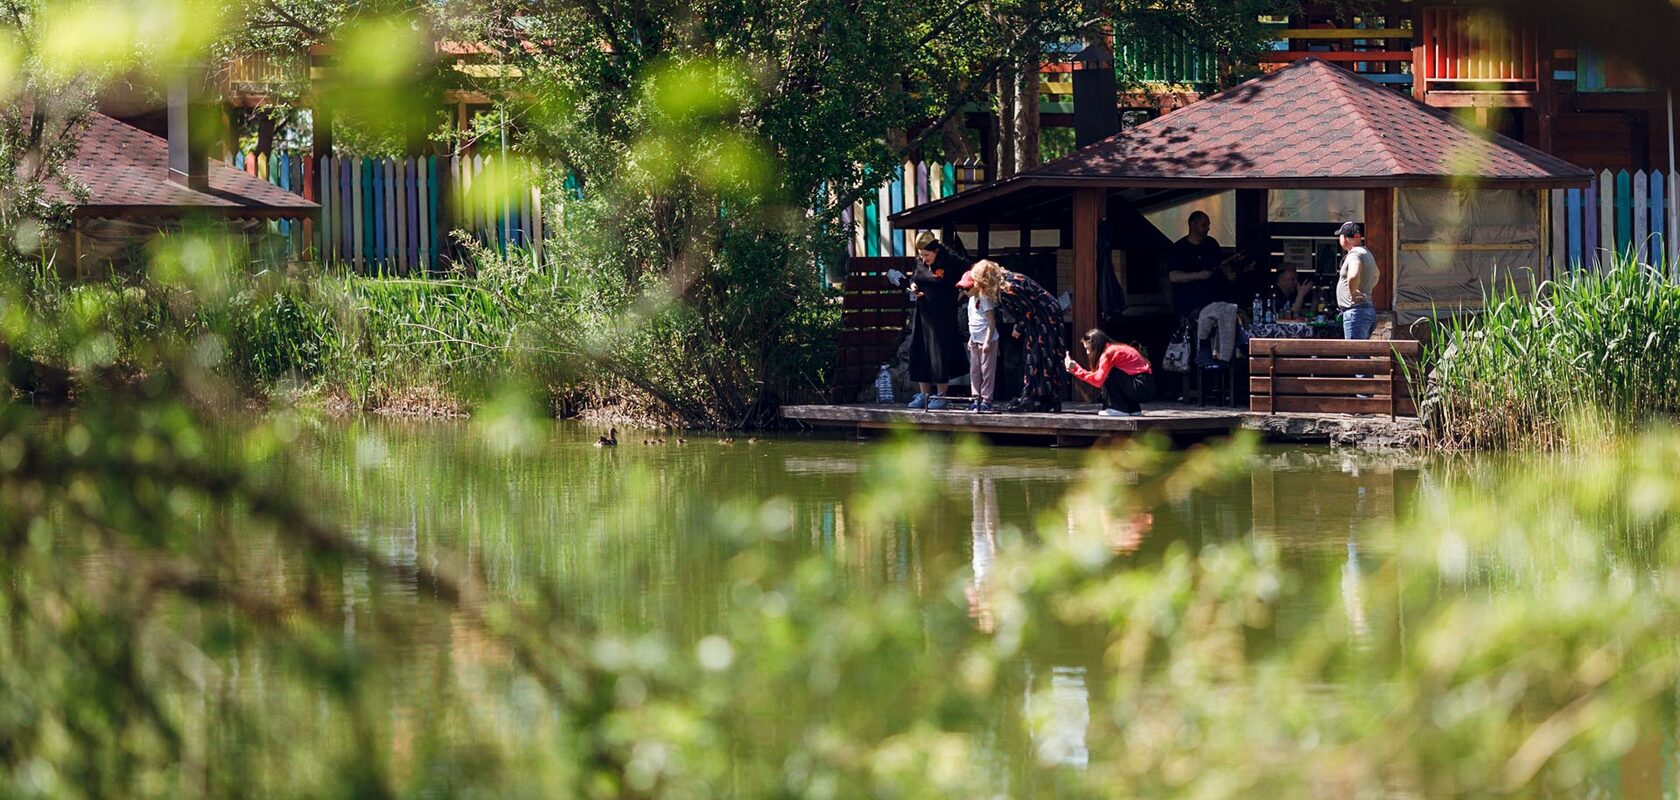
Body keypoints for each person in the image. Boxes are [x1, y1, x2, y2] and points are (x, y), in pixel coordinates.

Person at [965, 260, 1067, 413]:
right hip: (1040, 316)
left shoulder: (1008, 287)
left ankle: (1034, 398)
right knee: (1039, 356)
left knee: (1038, 356)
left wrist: (1018, 327)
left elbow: (1029, 309)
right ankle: (1044, 398)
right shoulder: (1005, 281)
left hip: (1045, 316)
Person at [906, 232, 969, 409]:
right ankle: (924, 395)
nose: (924, 259)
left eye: (927, 255)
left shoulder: (950, 261)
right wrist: (914, 287)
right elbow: (914, 277)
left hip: (943, 315)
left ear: (936, 251)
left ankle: (942, 395)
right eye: (921, 255)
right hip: (923, 313)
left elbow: (971, 272)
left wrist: (961, 293)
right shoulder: (920, 262)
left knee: (940, 352)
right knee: (920, 350)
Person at [1064, 328, 1154, 417]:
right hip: (1143, 384)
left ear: (1096, 346)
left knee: (1108, 373)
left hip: (1140, 386)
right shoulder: (1116, 348)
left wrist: (1076, 369)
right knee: (1109, 371)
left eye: (1088, 349)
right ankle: (1132, 409)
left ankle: (1119, 408)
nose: (1088, 353)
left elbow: (1097, 380)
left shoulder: (1109, 353)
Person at [1166, 211, 1224, 319]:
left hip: (1213, 303)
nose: (1207, 229)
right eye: (1204, 225)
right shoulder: (1179, 248)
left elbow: (1220, 264)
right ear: (1193, 224)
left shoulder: (1212, 244)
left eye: (1208, 225)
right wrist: (1198, 275)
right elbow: (1173, 276)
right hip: (1189, 305)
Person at [958, 266, 998, 413]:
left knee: (987, 370)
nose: (965, 291)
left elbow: (991, 322)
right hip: (975, 339)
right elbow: (972, 321)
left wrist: (987, 341)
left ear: (976, 286)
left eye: (967, 288)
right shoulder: (970, 300)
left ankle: (987, 399)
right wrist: (971, 339)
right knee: (974, 370)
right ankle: (975, 398)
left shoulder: (985, 299)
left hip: (988, 339)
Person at [1336, 221, 1379, 340]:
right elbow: (1376, 275)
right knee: (1361, 354)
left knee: (1355, 355)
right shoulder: (1366, 253)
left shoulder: (1354, 255)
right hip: (1365, 310)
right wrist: (1366, 288)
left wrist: (1354, 292)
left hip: (1356, 312)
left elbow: (1354, 274)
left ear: (1344, 238)